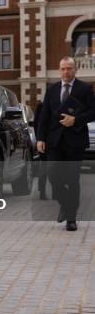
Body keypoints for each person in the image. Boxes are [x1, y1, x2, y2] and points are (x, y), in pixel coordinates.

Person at [37, 56, 95, 231]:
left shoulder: (85, 89)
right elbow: (44, 116)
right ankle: (65, 204)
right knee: (53, 175)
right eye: (63, 68)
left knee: (72, 179)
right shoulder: (52, 89)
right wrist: (40, 138)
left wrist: (75, 119)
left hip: (75, 142)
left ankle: (71, 218)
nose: (66, 72)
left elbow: (93, 112)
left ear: (75, 69)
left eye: (69, 68)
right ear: (59, 70)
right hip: (54, 142)